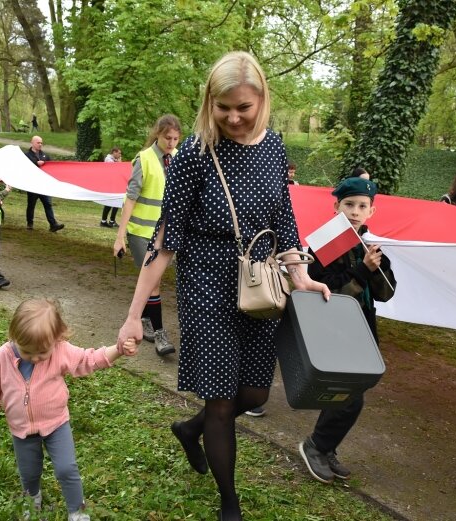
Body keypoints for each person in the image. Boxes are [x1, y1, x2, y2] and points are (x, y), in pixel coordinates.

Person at [115, 51, 330, 521]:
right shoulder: (193, 155)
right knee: (221, 400)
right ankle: (228, 503)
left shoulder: (273, 148)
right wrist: (134, 316)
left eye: (243, 108)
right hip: (206, 287)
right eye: (222, 106)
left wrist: (301, 274)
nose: (233, 117)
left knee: (253, 396)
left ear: (262, 102)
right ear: (209, 103)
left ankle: (189, 430)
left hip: (259, 284)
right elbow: (164, 242)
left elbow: (284, 219)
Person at [0, 298, 137, 521]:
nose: (35, 358)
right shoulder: (3, 356)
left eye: (42, 352)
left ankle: (77, 512)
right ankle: (33, 501)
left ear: (57, 338)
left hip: (56, 424)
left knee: (66, 469)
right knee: (29, 474)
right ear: (14, 337)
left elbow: (89, 360)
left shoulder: (60, 351)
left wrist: (117, 350)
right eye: (27, 352)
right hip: (22, 429)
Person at [298, 177, 396, 484]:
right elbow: (328, 289)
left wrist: (377, 266)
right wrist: (362, 270)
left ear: (372, 211)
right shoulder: (325, 243)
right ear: (336, 207)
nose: (355, 211)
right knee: (350, 393)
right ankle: (316, 446)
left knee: (354, 390)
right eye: (348, 204)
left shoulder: (369, 246)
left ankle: (325, 447)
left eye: (362, 206)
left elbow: (387, 292)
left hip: (361, 329)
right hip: (334, 328)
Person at [113, 115, 181, 356]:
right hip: (141, 233)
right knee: (153, 284)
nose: (171, 143)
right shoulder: (144, 159)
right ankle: (161, 334)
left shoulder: (177, 159)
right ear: (157, 135)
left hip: (164, 235)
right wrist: (120, 236)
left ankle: (144, 319)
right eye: (167, 138)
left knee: (155, 282)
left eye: (175, 138)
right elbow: (129, 199)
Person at [24, 136, 65, 232]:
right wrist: (36, 163)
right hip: (32, 185)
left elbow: (51, 168)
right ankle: (30, 223)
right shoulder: (27, 156)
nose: (40, 144)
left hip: (44, 185)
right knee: (31, 205)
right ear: (32, 143)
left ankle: (53, 224)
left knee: (48, 204)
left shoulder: (45, 156)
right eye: (38, 143)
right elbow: (25, 167)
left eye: (41, 143)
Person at [100, 147, 122, 227]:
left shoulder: (115, 160)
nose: (120, 155)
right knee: (109, 203)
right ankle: (103, 221)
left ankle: (112, 220)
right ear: (114, 152)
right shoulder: (108, 159)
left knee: (117, 202)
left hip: (115, 183)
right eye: (119, 153)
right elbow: (116, 169)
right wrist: (119, 163)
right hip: (109, 184)